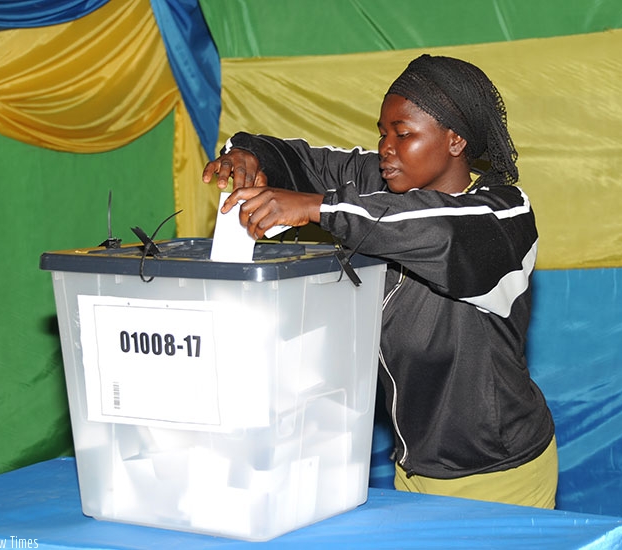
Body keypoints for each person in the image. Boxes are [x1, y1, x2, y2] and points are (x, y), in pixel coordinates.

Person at [202, 54, 558, 509]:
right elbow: (302, 161)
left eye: (403, 134)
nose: (386, 147)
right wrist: (251, 158)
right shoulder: (383, 186)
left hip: (497, 472)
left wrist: (319, 208)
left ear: (455, 140)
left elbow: (436, 230)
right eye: (383, 133)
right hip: (414, 468)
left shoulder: (501, 215)